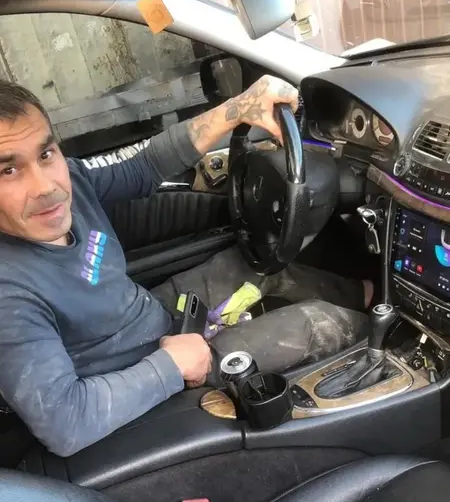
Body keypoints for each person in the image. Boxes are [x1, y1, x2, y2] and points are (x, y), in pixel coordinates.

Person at [0, 76, 370, 457]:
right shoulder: (8, 297)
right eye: (8, 170)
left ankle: (366, 295)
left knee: (258, 266)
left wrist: (240, 108)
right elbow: (66, 422)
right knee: (317, 324)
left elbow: (146, 165)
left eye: (45, 154)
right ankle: (392, 340)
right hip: (149, 376)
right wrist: (171, 366)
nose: (44, 186)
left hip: (158, 315)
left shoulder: (73, 183)